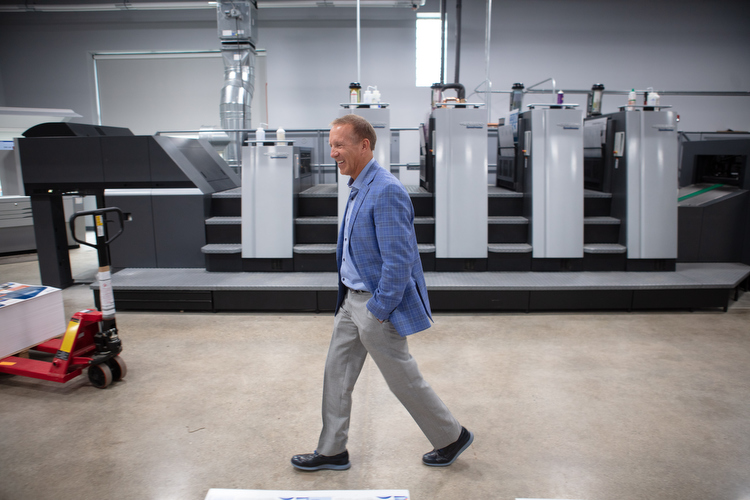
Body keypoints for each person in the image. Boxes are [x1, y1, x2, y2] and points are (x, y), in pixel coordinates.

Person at [291, 114, 473, 471]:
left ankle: (452, 437)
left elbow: (399, 261)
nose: (333, 153)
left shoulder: (386, 189)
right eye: (331, 145)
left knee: (402, 379)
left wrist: (379, 309)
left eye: (339, 145)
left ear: (364, 145)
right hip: (350, 302)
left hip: (374, 306)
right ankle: (332, 450)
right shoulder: (359, 185)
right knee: (336, 375)